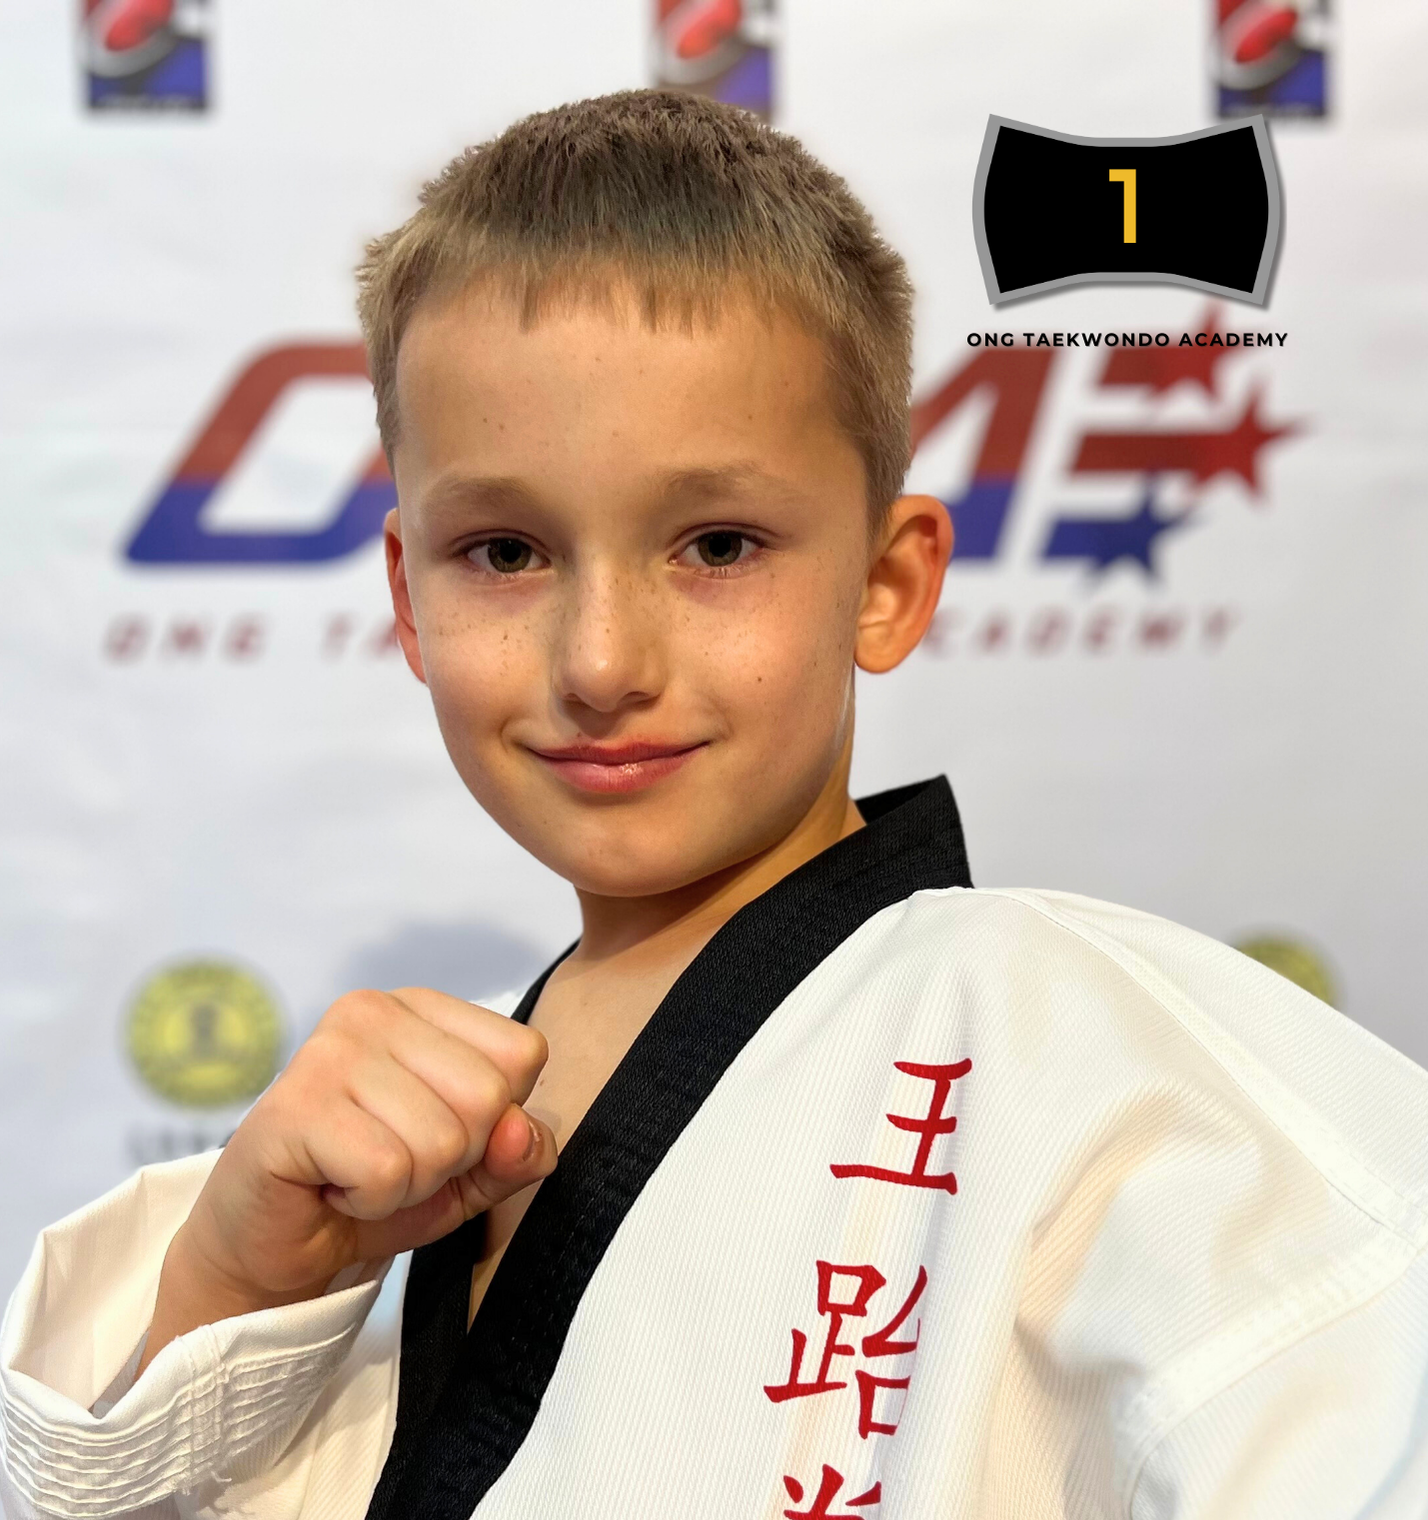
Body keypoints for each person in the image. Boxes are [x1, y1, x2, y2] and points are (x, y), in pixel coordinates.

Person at [3, 89, 1426, 1520]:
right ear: (408, 598)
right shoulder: (360, 1200)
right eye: (504, 551)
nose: (602, 663)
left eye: (718, 544)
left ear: (887, 580)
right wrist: (226, 1290)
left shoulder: (1108, 1074)